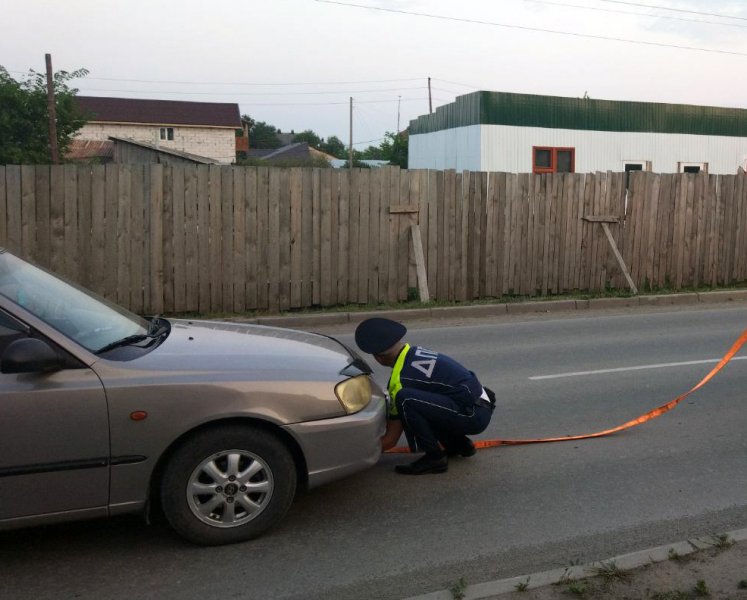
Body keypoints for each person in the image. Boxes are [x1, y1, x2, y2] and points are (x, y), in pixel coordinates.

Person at [355, 317, 495, 475]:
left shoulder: (400, 381)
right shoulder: (416, 352)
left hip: (472, 415)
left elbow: (391, 439)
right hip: (481, 404)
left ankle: (434, 458)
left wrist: (355, 454)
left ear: (378, 358)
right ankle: (460, 445)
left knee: (407, 400)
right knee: (426, 404)